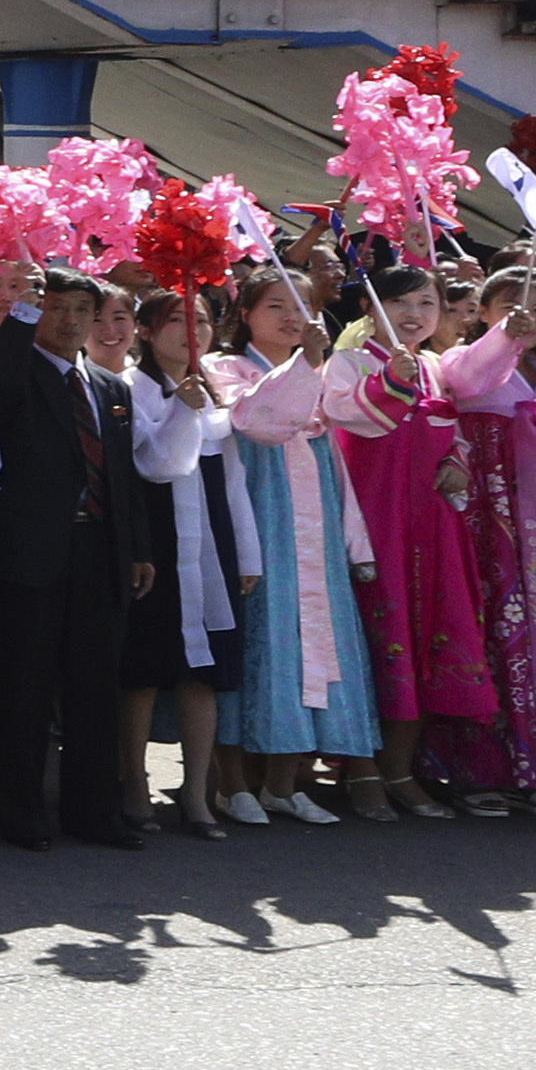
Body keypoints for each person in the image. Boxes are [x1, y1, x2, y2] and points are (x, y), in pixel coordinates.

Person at [0, 266, 154, 849]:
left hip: (99, 549)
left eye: (82, 309)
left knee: (95, 686)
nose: (71, 320)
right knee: (25, 686)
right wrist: (21, 310)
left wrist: (137, 549)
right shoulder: (17, 372)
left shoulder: (110, 387)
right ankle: (22, 814)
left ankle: (93, 811)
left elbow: (123, 476)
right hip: (32, 551)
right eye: (57, 308)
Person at [419, 267, 536, 813]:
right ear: (483, 312)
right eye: (507, 306)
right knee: (487, 630)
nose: (525, 317)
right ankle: (478, 771)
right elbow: (472, 382)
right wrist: (505, 337)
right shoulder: (461, 360)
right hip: (482, 519)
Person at [317, 265, 500, 818]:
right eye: (399, 302)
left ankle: (400, 769)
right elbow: (354, 417)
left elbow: (452, 433)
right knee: (376, 639)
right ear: (371, 309)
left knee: (426, 638)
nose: (413, 314)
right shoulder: (347, 363)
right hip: (373, 519)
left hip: (431, 522)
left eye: (426, 303)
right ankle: (363, 770)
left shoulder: (434, 368)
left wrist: (458, 463)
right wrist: (391, 381)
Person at [207, 273, 378, 824]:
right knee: (254, 646)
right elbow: (256, 420)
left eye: (302, 305)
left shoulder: (324, 374)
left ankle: (284, 783)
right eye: (275, 305)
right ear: (246, 315)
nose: (291, 315)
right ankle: (230, 784)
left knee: (310, 648)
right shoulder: (224, 369)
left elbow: (340, 468)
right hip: (258, 526)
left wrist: (356, 542)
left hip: (314, 537)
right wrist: (304, 365)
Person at [119, 287, 250, 839]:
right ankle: (133, 787)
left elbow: (234, 481)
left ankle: (197, 794)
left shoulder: (216, 388)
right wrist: (182, 409)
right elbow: (157, 464)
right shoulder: (133, 387)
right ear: (145, 330)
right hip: (157, 540)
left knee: (205, 674)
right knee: (143, 673)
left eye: (199, 318)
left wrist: (247, 552)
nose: (189, 330)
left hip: (210, 543)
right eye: (175, 319)